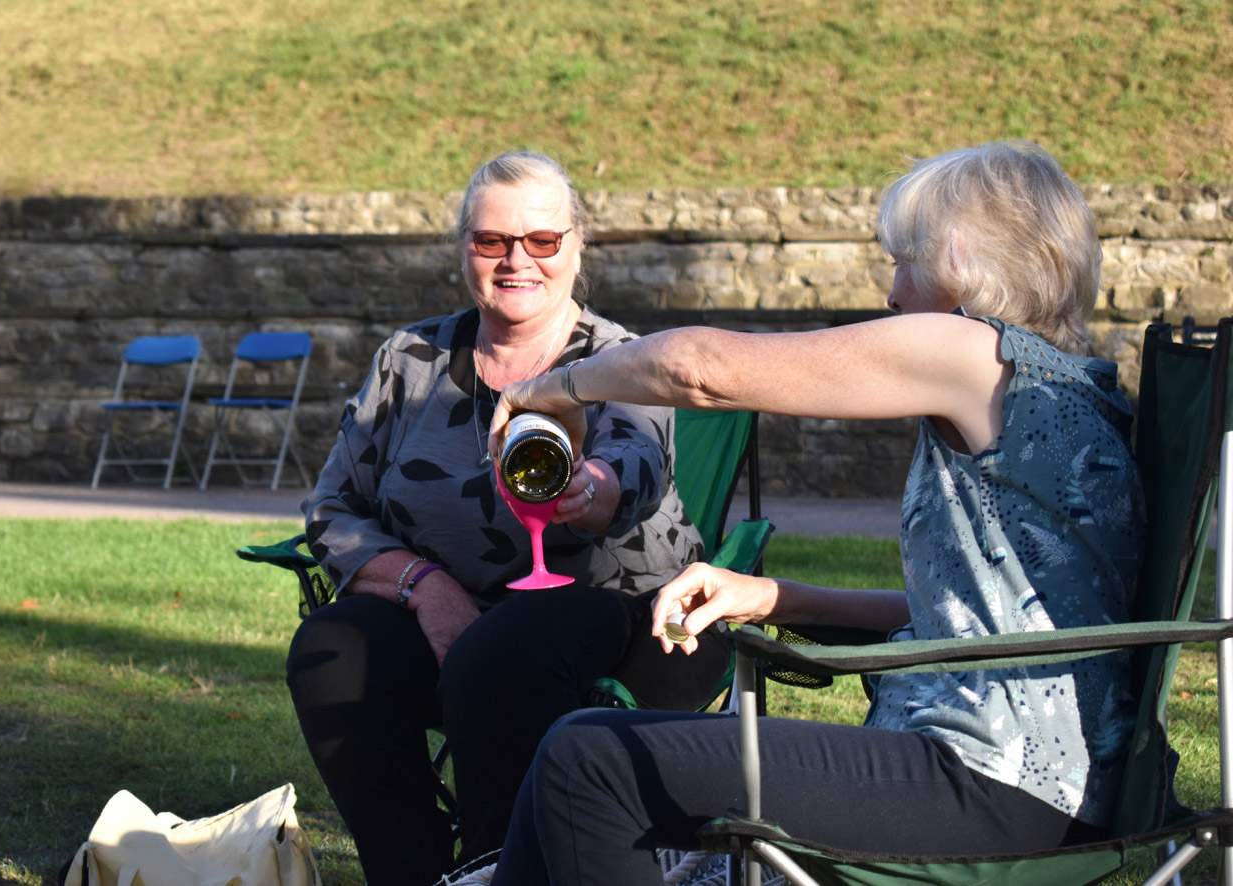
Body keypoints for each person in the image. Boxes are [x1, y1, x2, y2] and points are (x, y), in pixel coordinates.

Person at [485, 141, 1146, 884]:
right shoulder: (1067, 388)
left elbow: (702, 370)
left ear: (959, 257)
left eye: (905, 260)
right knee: (583, 749)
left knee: (589, 761)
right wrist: (776, 597)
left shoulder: (974, 352)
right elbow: (987, 617)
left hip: (986, 782)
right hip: (1033, 784)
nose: (893, 293)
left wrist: (557, 386)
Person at [284, 151, 731, 886]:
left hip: (625, 615)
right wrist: (424, 587)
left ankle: (499, 870)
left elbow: (636, 465)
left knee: (500, 654)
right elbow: (332, 509)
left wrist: (592, 489)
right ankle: (416, 874)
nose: (516, 260)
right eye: (491, 241)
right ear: (464, 247)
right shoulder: (411, 358)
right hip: (446, 611)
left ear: (577, 247)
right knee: (331, 648)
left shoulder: (624, 360)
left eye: (542, 241)